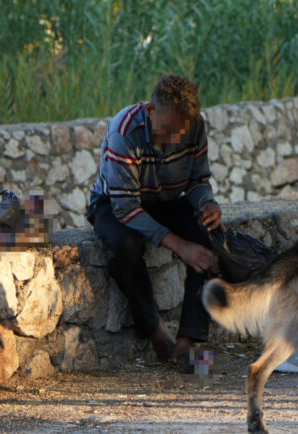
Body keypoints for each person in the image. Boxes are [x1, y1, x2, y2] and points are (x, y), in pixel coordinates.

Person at [86, 74, 221, 372]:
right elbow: (126, 208)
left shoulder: (195, 125)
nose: (175, 139)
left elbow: (198, 182)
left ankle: (186, 344)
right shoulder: (125, 131)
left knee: (209, 235)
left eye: (181, 133)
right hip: (115, 204)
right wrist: (181, 246)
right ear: (150, 111)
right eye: (168, 130)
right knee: (126, 245)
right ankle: (156, 333)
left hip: (166, 200)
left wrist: (207, 203)